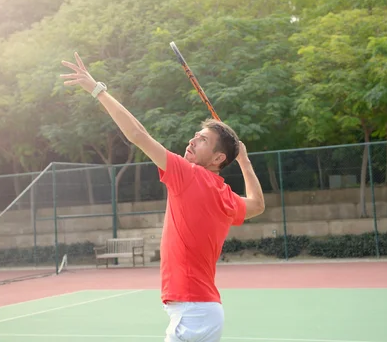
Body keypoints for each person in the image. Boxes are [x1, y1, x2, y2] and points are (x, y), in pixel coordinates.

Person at [61, 52, 265, 342]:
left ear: (218, 157)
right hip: (204, 311)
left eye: (203, 140)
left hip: (193, 312)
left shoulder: (188, 175)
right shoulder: (226, 196)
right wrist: (244, 162)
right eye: (196, 135)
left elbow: (137, 134)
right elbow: (258, 204)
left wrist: (97, 89)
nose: (193, 140)